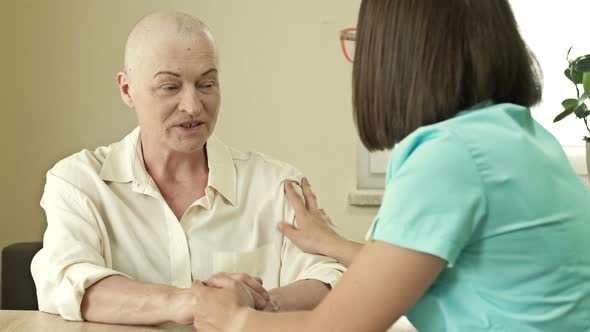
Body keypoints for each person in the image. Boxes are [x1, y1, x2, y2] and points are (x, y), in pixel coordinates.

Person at [190, 0, 590, 331]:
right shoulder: (522, 137)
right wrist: (333, 245)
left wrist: (233, 319)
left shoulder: (449, 156)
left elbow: (336, 327)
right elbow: (431, 266)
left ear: (397, 55)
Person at [30, 11, 344, 326]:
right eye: (170, 87)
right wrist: (193, 302)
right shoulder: (79, 182)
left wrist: (256, 304)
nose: (193, 106)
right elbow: (65, 281)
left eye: (207, 84)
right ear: (127, 90)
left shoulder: (277, 185)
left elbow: (333, 281)